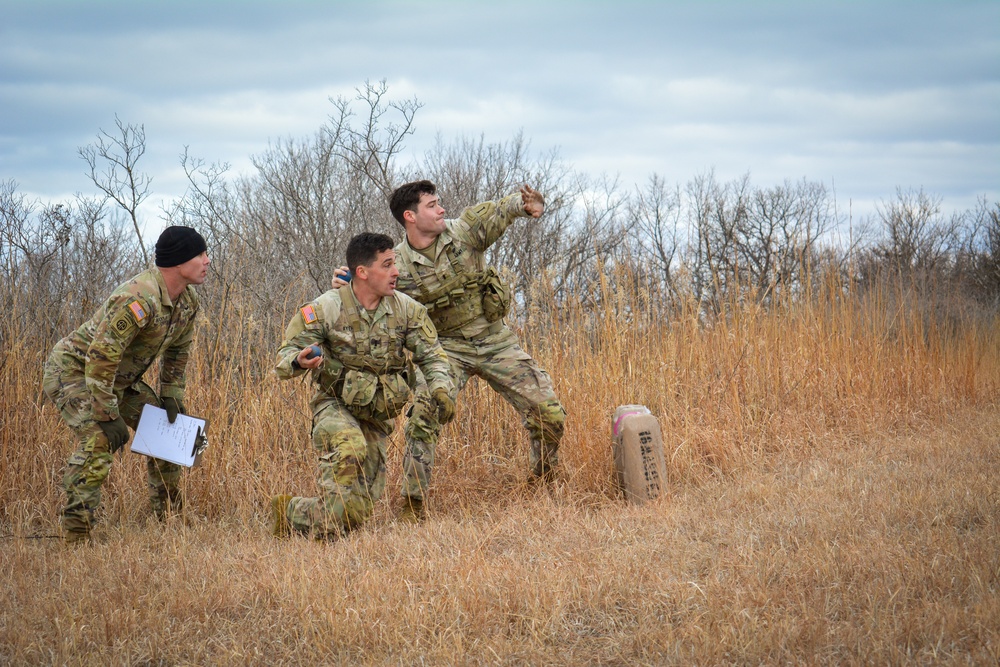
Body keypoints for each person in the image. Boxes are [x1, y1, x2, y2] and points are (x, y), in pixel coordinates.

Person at [334, 181, 567, 522]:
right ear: (410, 217)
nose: (442, 209)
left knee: (549, 413)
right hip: (447, 350)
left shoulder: (465, 233)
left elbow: (499, 211)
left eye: (440, 202)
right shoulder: (399, 266)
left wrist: (525, 204)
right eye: (432, 205)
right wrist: (345, 286)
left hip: (494, 341)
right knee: (424, 417)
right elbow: (366, 290)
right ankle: (413, 507)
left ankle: (542, 483)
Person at [270, 232, 455, 540]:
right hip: (334, 405)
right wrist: (298, 361)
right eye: (387, 265)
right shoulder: (326, 308)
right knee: (350, 447)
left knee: (354, 514)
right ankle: (323, 544)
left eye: (395, 263)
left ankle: (289, 512)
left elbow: (432, 356)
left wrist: (440, 388)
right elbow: (284, 357)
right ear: (363, 272)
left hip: (376, 415)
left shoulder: (407, 310)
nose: (396, 272)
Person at [42, 225, 210, 544]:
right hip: (75, 371)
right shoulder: (138, 298)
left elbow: (178, 351)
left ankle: (169, 520)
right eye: (200, 254)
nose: (207, 260)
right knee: (99, 440)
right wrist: (107, 414)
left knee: (172, 433)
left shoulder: (188, 302)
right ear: (178, 261)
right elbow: (101, 355)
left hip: (117, 380)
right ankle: (77, 533)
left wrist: (171, 396)